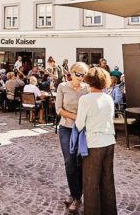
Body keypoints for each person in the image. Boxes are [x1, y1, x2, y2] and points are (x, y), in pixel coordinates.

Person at [75, 67, 117, 215]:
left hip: (93, 143)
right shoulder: (109, 98)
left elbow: (79, 124)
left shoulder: (85, 99)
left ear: (89, 82)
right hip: (109, 141)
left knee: (91, 183)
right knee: (107, 182)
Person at [56, 62, 89, 213]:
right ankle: (75, 195)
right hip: (66, 128)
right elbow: (58, 109)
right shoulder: (62, 87)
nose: (81, 78)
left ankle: (76, 195)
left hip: (82, 129)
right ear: (71, 72)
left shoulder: (87, 89)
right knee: (69, 161)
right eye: (78, 74)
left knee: (80, 161)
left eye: (84, 75)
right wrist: (76, 117)